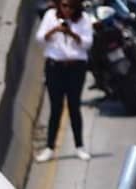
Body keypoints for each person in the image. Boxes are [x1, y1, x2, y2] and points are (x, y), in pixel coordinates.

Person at [34, 0, 93, 163]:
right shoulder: (50, 16)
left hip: (76, 67)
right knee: (56, 107)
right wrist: (55, 30)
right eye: (64, 6)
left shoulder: (84, 19)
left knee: (74, 106)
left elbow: (87, 44)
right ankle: (50, 147)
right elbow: (40, 39)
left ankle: (79, 146)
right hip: (55, 67)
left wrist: (71, 33)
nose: (67, 10)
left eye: (71, 7)